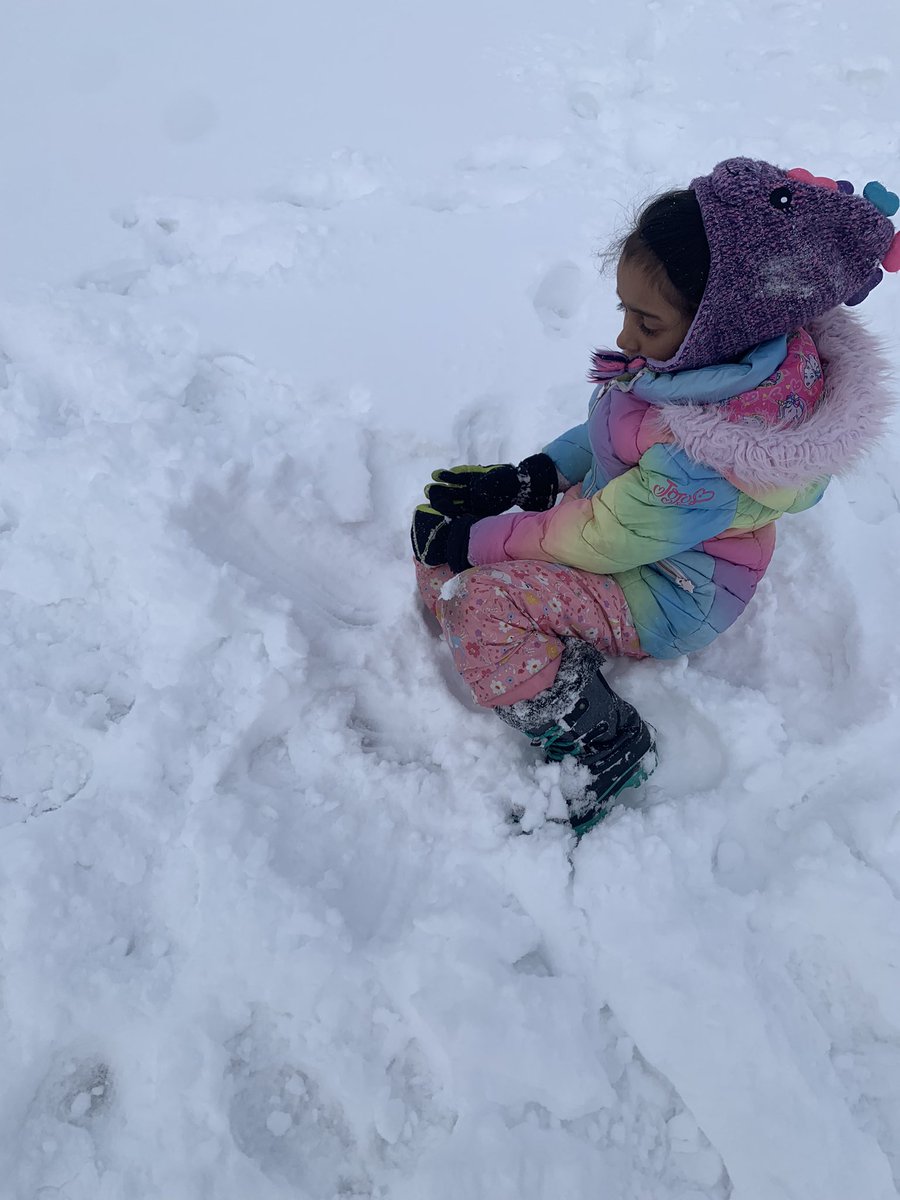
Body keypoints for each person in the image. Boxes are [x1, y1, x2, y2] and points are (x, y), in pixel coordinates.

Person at [411, 157, 900, 836]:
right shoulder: (688, 366)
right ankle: (514, 617)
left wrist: (475, 544)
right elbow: (613, 426)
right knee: (443, 533)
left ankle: (600, 740)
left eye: (644, 321)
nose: (622, 339)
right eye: (624, 311)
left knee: (480, 598)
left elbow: (604, 538)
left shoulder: (709, 452)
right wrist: (531, 476)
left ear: (716, 327)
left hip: (666, 590)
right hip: (633, 521)